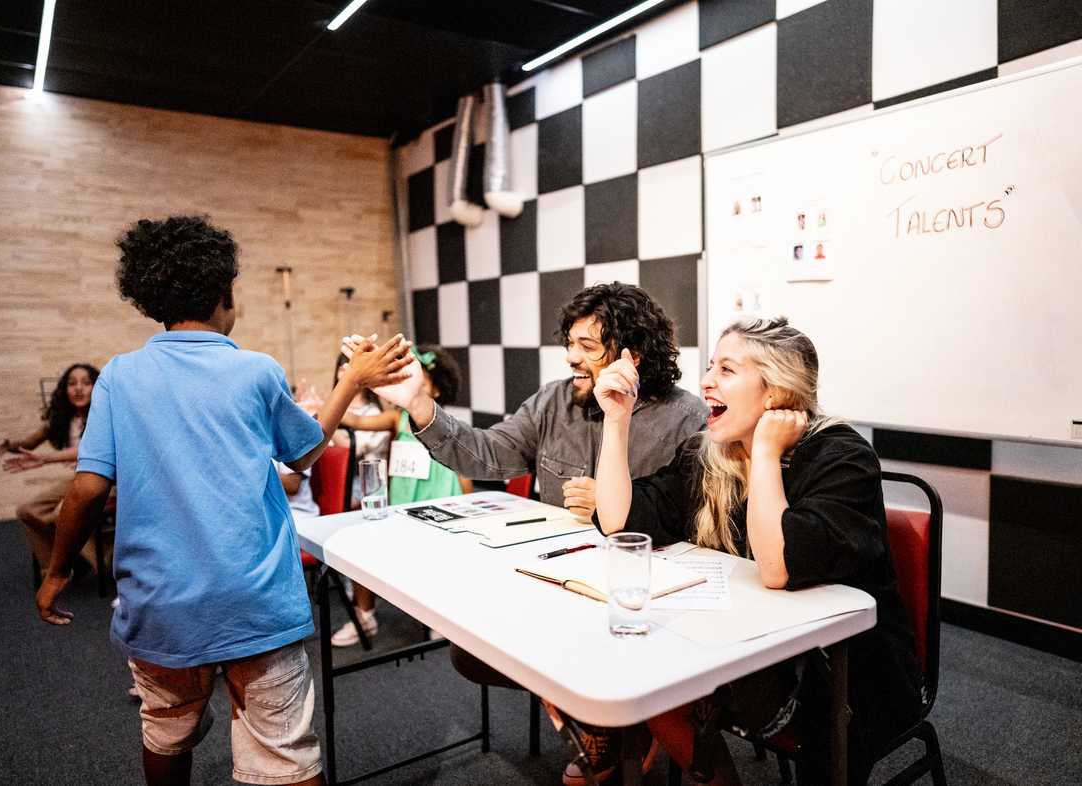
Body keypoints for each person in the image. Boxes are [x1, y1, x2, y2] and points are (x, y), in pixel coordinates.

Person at [34, 214, 412, 786]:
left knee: (165, 729)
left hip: (161, 604)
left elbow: (87, 488)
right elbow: (305, 454)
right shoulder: (255, 370)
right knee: (284, 753)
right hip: (255, 600)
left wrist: (57, 569)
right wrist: (352, 380)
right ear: (224, 294)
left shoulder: (119, 376)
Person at [351, 282, 708, 784]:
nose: (570, 357)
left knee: (598, 651)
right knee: (470, 654)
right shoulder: (553, 402)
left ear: (633, 350)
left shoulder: (684, 414)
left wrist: (620, 508)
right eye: (569, 344)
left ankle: (619, 728)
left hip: (645, 592)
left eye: (587, 346)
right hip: (558, 577)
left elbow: (695, 512)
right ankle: (606, 719)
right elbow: (488, 454)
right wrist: (418, 406)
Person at [592, 316, 922, 785]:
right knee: (647, 668)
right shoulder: (708, 453)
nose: (705, 381)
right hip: (750, 644)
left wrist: (765, 454)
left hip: (848, 673)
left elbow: (776, 568)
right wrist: (617, 420)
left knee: (662, 673)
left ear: (775, 393)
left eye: (726, 370)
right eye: (710, 367)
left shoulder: (842, 458)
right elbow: (617, 520)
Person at [329, 344, 473, 646]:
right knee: (365, 547)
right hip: (402, 500)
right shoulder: (397, 419)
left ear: (436, 389)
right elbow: (355, 422)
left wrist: (467, 503)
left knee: (441, 558)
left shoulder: (448, 424)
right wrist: (344, 389)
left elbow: (463, 467)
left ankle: (442, 615)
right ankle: (363, 615)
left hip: (440, 499)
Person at [0, 363, 103, 576]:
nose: (78, 388)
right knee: (27, 511)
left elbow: (87, 450)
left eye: (86, 383)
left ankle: (99, 561)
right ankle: (55, 567)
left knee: (63, 513)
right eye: (72, 383)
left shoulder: (103, 416)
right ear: (64, 390)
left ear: (97, 387)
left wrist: (45, 459)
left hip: (105, 480)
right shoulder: (61, 419)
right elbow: (29, 444)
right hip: (78, 480)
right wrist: (8, 446)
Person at [331, 353, 392, 508]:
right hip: (336, 480)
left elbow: (352, 449)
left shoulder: (373, 413)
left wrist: (326, 420)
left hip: (366, 487)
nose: (345, 374)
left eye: (350, 369)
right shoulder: (334, 407)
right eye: (341, 369)